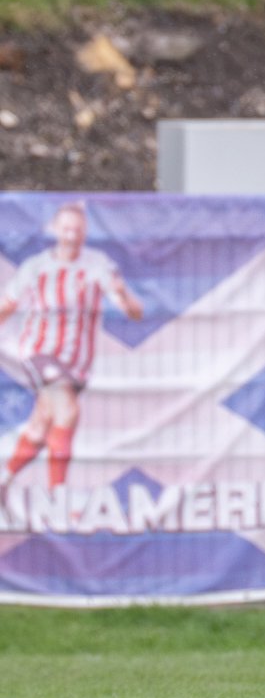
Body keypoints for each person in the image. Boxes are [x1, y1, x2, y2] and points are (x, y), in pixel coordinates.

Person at [0, 202, 144, 491]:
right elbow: (7, 304)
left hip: (78, 362)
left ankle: (5, 476)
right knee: (67, 410)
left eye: (77, 229)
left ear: (85, 232)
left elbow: (134, 311)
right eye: (65, 229)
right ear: (55, 230)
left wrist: (122, 294)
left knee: (41, 426)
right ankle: (60, 495)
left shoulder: (96, 265)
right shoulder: (37, 267)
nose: (71, 235)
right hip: (40, 352)